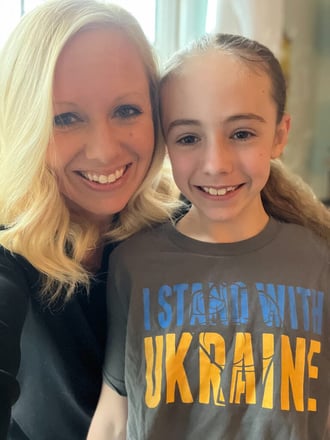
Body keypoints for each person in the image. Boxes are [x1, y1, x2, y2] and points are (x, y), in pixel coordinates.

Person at [87, 33, 330, 440]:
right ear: (165, 145)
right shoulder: (134, 262)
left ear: (279, 135)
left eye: (241, 134)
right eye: (188, 138)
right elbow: (115, 416)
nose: (215, 164)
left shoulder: (319, 261)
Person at [0, 0, 181, 439]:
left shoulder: (190, 227)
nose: (104, 151)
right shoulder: (9, 248)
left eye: (126, 111)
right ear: (27, 124)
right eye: (66, 118)